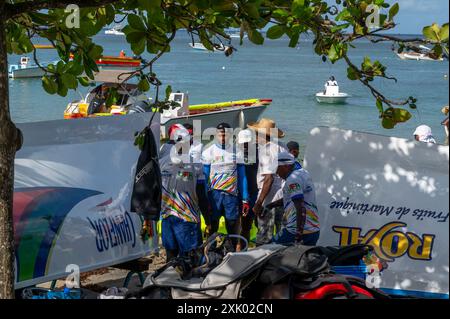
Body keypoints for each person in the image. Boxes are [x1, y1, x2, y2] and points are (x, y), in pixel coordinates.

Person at [159, 124, 204, 262]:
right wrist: (208, 219)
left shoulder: (161, 162)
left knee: (171, 256)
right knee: (191, 258)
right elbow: (201, 194)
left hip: (167, 217)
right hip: (187, 218)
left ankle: (170, 281)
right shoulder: (195, 165)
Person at [202, 123, 249, 248]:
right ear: (216, 134)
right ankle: (209, 252)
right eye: (220, 134)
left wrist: (245, 198)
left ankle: (232, 251)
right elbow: (205, 177)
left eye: (225, 134)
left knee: (232, 226)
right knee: (213, 226)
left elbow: (242, 177)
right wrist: (205, 198)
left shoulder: (237, 152)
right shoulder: (208, 152)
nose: (223, 137)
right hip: (214, 195)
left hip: (231, 196)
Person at [247, 118, 287, 246]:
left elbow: (268, 179)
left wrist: (259, 203)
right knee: (283, 234)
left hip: (269, 199)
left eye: (257, 133)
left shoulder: (266, 150)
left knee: (264, 236)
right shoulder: (282, 146)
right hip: (283, 197)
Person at [269, 151, 320, 246]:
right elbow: (292, 198)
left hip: (297, 232)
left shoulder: (293, 179)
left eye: (277, 169)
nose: (276, 172)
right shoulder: (303, 172)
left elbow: (300, 206)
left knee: (270, 247)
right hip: (313, 230)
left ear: (286, 166)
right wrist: (271, 205)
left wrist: (298, 233)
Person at [183, 123, 211, 242]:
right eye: (187, 134)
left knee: (199, 205)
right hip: (184, 179)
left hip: (197, 179)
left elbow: (203, 166)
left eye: (191, 134)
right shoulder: (177, 148)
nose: (189, 136)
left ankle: (204, 226)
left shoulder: (199, 146)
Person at [236, 129, 259, 249]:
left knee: (249, 224)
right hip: (236, 194)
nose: (245, 146)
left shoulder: (259, 153)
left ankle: (245, 249)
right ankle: (238, 248)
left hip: (253, 193)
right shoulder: (234, 153)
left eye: (247, 143)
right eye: (242, 143)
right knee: (237, 224)